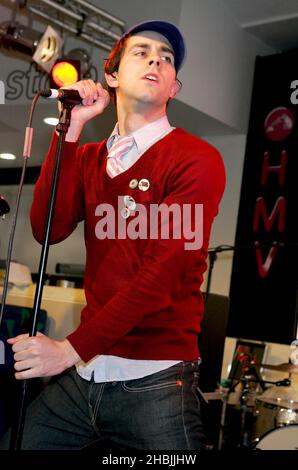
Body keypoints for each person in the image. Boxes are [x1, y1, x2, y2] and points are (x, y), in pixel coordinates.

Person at [3, 20, 225, 450]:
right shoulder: (88, 158)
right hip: (87, 372)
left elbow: (164, 273)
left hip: (155, 378)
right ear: (111, 75)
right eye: (141, 52)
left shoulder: (197, 158)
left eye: (166, 58)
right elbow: (47, 227)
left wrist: (68, 349)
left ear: (173, 88)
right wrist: (70, 129)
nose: (156, 60)